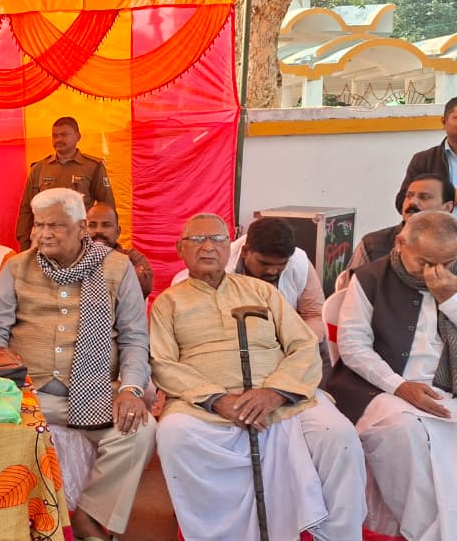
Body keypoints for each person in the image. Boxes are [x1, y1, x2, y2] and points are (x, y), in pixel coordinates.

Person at [150, 213, 366, 541]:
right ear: (181, 248)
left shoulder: (261, 292)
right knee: (173, 434)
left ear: (230, 247)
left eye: (217, 239)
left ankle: (338, 535)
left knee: (338, 435)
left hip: (282, 397)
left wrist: (275, 393)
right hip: (205, 404)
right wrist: (217, 400)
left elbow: (304, 345)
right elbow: (163, 362)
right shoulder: (168, 302)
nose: (208, 247)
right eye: (197, 240)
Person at [0, 188, 153, 540]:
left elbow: (135, 338)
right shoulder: (16, 267)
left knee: (140, 431)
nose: (44, 234)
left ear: (81, 228)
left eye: (55, 226)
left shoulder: (117, 267)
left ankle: (89, 515)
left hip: (95, 392)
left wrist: (130, 389)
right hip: (30, 394)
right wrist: (6, 383)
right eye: (39, 225)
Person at [325, 210, 457, 540]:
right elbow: (353, 346)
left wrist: (450, 300)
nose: (435, 272)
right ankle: (430, 533)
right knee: (404, 431)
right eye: (425, 262)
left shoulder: (451, 280)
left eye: (446, 262)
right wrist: (399, 386)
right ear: (400, 242)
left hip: (447, 386)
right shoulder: (370, 277)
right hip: (380, 387)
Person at [172, 217, 331, 378]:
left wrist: (296, 348)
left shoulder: (299, 262)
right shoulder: (215, 269)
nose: (272, 271)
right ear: (245, 251)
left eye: (280, 265)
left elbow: (314, 315)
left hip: (289, 347)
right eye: (264, 263)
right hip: (230, 351)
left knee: (316, 350)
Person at [15, 117, 115, 250]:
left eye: (64, 135)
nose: (58, 140)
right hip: (47, 241)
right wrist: (24, 244)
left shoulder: (93, 167)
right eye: (55, 136)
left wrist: (104, 243)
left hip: (79, 242)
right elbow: (26, 209)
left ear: (78, 137)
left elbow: (107, 207)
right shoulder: (39, 168)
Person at [349, 174, 454, 275]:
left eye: (424, 197)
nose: (412, 202)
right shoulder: (373, 244)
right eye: (409, 196)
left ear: (447, 207)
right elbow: (348, 285)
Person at [393, 96, 457, 213]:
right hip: (435, 224)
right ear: (444, 122)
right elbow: (402, 202)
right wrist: (444, 197)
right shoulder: (424, 160)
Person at [85, 202, 153, 298]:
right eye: (92, 225)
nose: (98, 230)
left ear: (118, 232)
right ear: (83, 230)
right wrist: (127, 273)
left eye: (106, 225)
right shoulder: (74, 259)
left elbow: (144, 286)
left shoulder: (133, 258)